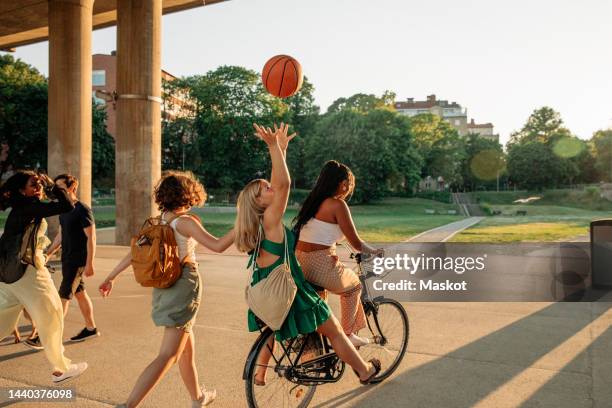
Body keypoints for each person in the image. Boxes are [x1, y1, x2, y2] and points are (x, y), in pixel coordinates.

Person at [235, 123, 381, 386]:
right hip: (291, 288)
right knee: (336, 333)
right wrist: (273, 148)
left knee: (277, 325)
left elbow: (278, 184)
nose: (272, 188)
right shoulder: (270, 219)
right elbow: (284, 183)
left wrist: (281, 150)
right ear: (260, 202)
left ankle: (263, 371)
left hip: (267, 287)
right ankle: (365, 370)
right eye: (265, 190)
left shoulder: (253, 222)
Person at [99, 171, 234, 408]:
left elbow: (135, 253)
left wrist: (111, 277)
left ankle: (197, 399)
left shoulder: (161, 220)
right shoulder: (185, 222)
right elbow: (218, 246)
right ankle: (128, 405)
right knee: (169, 354)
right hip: (184, 285)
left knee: (185, 351)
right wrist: (243, 224)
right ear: (189, 194)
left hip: (165, 287)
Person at [0, 171, 88, 383]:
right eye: (34, 184)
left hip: (8, 274)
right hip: (28, 273)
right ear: (22, 190)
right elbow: (67, 205)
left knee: (3, 320)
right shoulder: (29, 207)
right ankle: (61, 369)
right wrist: (52, 187)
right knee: (52, 314)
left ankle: (60, 367)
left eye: (40, 185)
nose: (39, 188)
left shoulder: (22, 208)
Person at [293, 161, 382, 348]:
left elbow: (319, 233)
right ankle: (347, 335)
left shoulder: (313, 202)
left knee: (319, 307)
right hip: (319, 263)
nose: (349, 189)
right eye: (349, 184)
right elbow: (356, 244)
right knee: (354, 287)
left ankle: (314, 348)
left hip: (300, 263)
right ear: (343, 184)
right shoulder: (337, 205)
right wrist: (374, 251)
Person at [46, 173, 99, 342]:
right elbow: (61, 235)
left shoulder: (82, 209)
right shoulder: (65, 209)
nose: (58, 190)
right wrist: (48, 253)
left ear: (72, 188)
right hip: (67, 258)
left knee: (64, 295)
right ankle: (91, 328)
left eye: (61, 187)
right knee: (80, 293)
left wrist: (90, 263)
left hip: (78, 260)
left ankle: (49, 336)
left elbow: (92, 237)